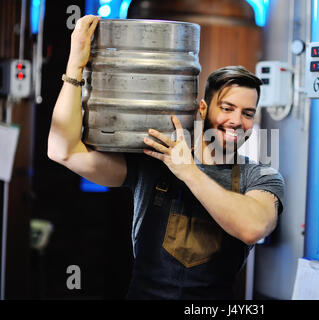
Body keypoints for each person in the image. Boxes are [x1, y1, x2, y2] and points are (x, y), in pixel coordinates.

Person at [48, 15, 285, 299]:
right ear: (202, 108)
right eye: (227, 108)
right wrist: (75, 67)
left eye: (247, 113)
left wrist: (189, 171)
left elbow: (253, 227)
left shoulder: (259, 177)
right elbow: (63, 150)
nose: (237, 120)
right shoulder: (154, 163)